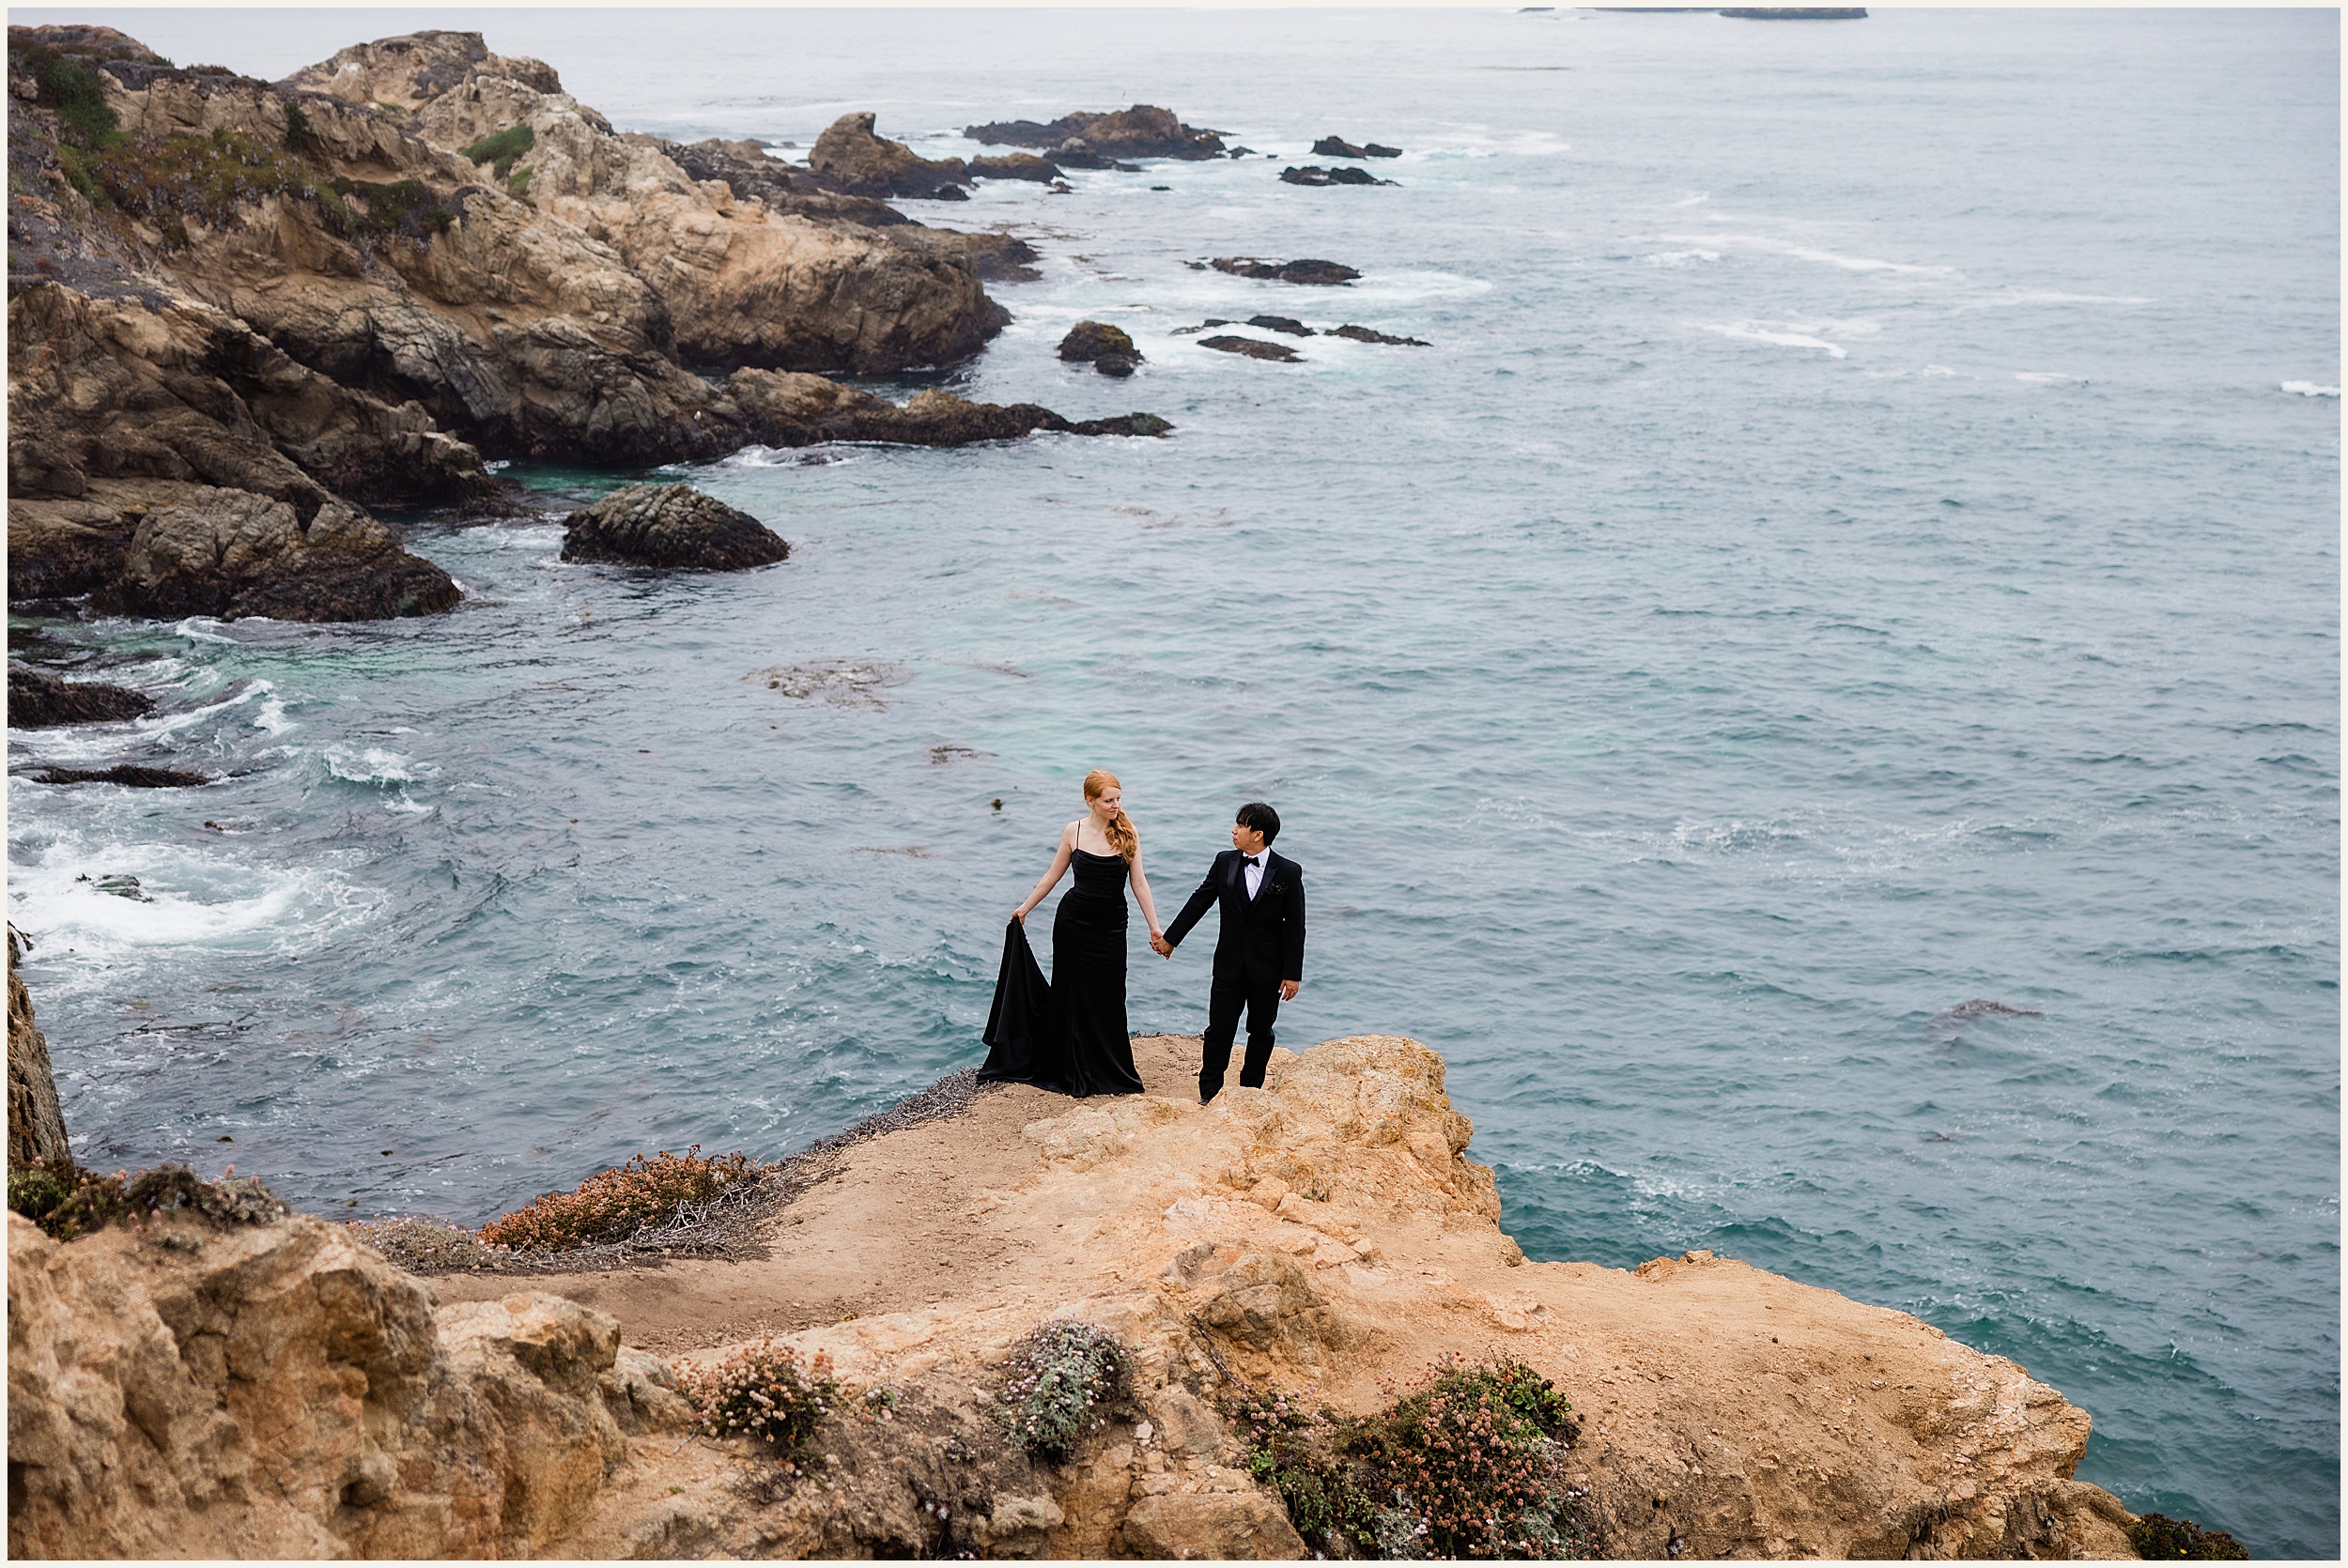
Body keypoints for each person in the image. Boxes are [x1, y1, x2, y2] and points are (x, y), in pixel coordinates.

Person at [980, 770, 1164, 1096]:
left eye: (1118, 799)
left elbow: (1139, 883)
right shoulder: (1073, 831)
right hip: (1073, 923)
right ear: (1090, 801)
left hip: (1111, 926)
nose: (1116, 806)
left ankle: (1108, 1067)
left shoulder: (1128, 833)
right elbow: (1052, 877)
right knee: (1070, 991)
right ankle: (1068, 1062)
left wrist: (1155, 927)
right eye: (1109, 800)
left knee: (1109, 994)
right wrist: (1025, 908)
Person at [1153, 801, 1305, 1103]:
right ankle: (1208, 1095)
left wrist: (1292, 975)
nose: (1234, 830)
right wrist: (1171, 939)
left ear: (1258, 834)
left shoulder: (1288, 871)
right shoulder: (1224, 862)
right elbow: (1201, 900)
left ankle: (1250, 1093)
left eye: (1241, 825)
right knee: (1218, 1031)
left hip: (1268, 969)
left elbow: (1296, 926)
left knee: (1261, 1032)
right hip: (1228, 964)